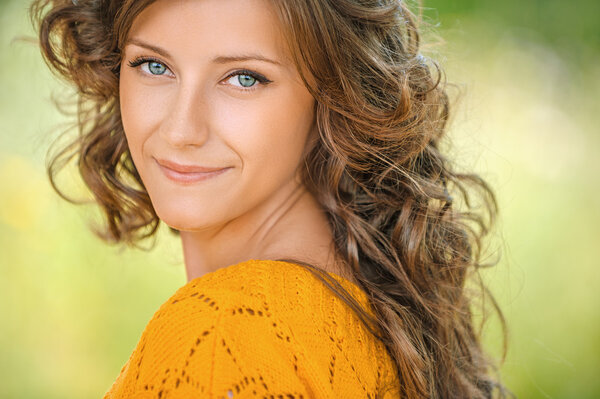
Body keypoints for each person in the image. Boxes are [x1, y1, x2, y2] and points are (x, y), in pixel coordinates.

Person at [30, 0, 510, 398]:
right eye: (154, 66)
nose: (181, 130)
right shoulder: (368, 310)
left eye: (243, 78)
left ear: (334, 97)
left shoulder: (223, 334)